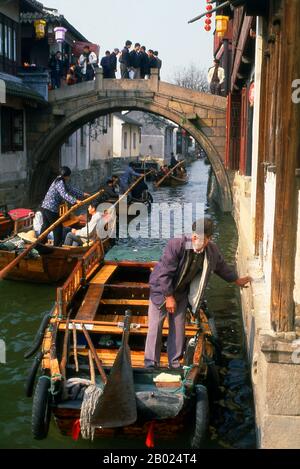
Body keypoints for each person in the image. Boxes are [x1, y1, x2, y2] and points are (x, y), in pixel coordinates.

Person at [144, 218, 252, 369]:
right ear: (192, 235)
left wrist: (236, 280)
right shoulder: (177, 245)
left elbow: (221, 267)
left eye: (201, 238)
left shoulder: (211, 251)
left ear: (209, 239)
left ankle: (174, 364)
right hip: (160, 290)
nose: (196, 240)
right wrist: (168, 297)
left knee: (178, 328)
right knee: (155, 326)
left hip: (181, 292)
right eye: (195, 236)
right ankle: (150, 364)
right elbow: (164, 274)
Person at [40, 166, 88, 247]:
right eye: (68, 176)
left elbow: (70, 189)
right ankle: (57, 246)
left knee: (46, 226)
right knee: (57, 227)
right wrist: (75, 201)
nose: (69, 178)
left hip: (45, 207)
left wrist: (82, 194)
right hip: (50, 208)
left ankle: (40, 243)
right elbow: (64, 194)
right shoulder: (59, 182)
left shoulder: (60, 180)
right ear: (66, 176)